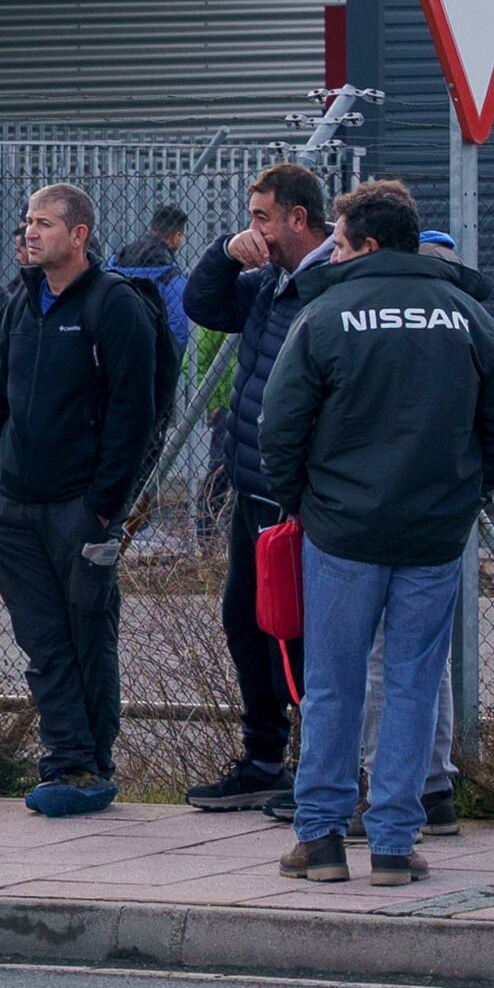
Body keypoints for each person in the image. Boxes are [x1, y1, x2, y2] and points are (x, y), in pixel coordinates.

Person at [258, 177, 494, 888]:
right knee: (413, 682)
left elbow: (278, 429)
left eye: (338, 241)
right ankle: (396, 842)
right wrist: (469, 494)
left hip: (341, 530)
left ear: (368, 243)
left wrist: (306, 503)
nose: (332, 254)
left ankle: (320, 837)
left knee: (333, 682)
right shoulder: (467, 314)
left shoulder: (327, 314)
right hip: (435, 531)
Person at [0, 181, 161, 816]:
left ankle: (91, 765)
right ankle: (64, 757)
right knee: (42, 639)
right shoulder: (21, 302)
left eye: (44, 223)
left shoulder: (114, 305)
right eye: (27, 222)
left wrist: (104, 506)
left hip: (79, 509)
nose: (29, 232)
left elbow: (133, 415)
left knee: (88, 630)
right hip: (14, 508)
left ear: (78, 235)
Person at [179, 162, 337, 811]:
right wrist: (224, 253)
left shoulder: (329, 283)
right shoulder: (272, 279)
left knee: (294, 633)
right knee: (244, 619)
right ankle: (265, 756)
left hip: (293, 494)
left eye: (262, 218)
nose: (255, 230)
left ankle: (311, 765)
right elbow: (204, 303)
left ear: (298, 217)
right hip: (251, 484)